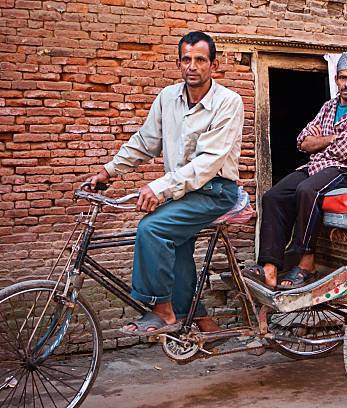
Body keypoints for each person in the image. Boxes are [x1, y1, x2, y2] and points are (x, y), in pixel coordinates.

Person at [87, 31, 244, 336]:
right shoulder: (167, 98)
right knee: (178, 249)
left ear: (214, 64)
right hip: (185, 192)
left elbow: (207, 162)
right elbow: (145, 142)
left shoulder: (228, 102)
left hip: (216, 192)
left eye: (200, 59)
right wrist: (108, 171)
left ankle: (162, 310)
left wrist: (159, 188)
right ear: (178, 62)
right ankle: (204, 325)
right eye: (186, 59)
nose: (192, 66)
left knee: (152, 228)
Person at [242, 52, 347, 290]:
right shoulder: (329, 106)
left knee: (308, 190)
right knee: (273, 196)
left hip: (344, 170)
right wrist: (331, 139)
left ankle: (306, 263)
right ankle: (269, 267)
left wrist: (320, 141)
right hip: (314, 166)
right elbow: (302, 141)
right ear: (336, 80)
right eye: (343, 78)